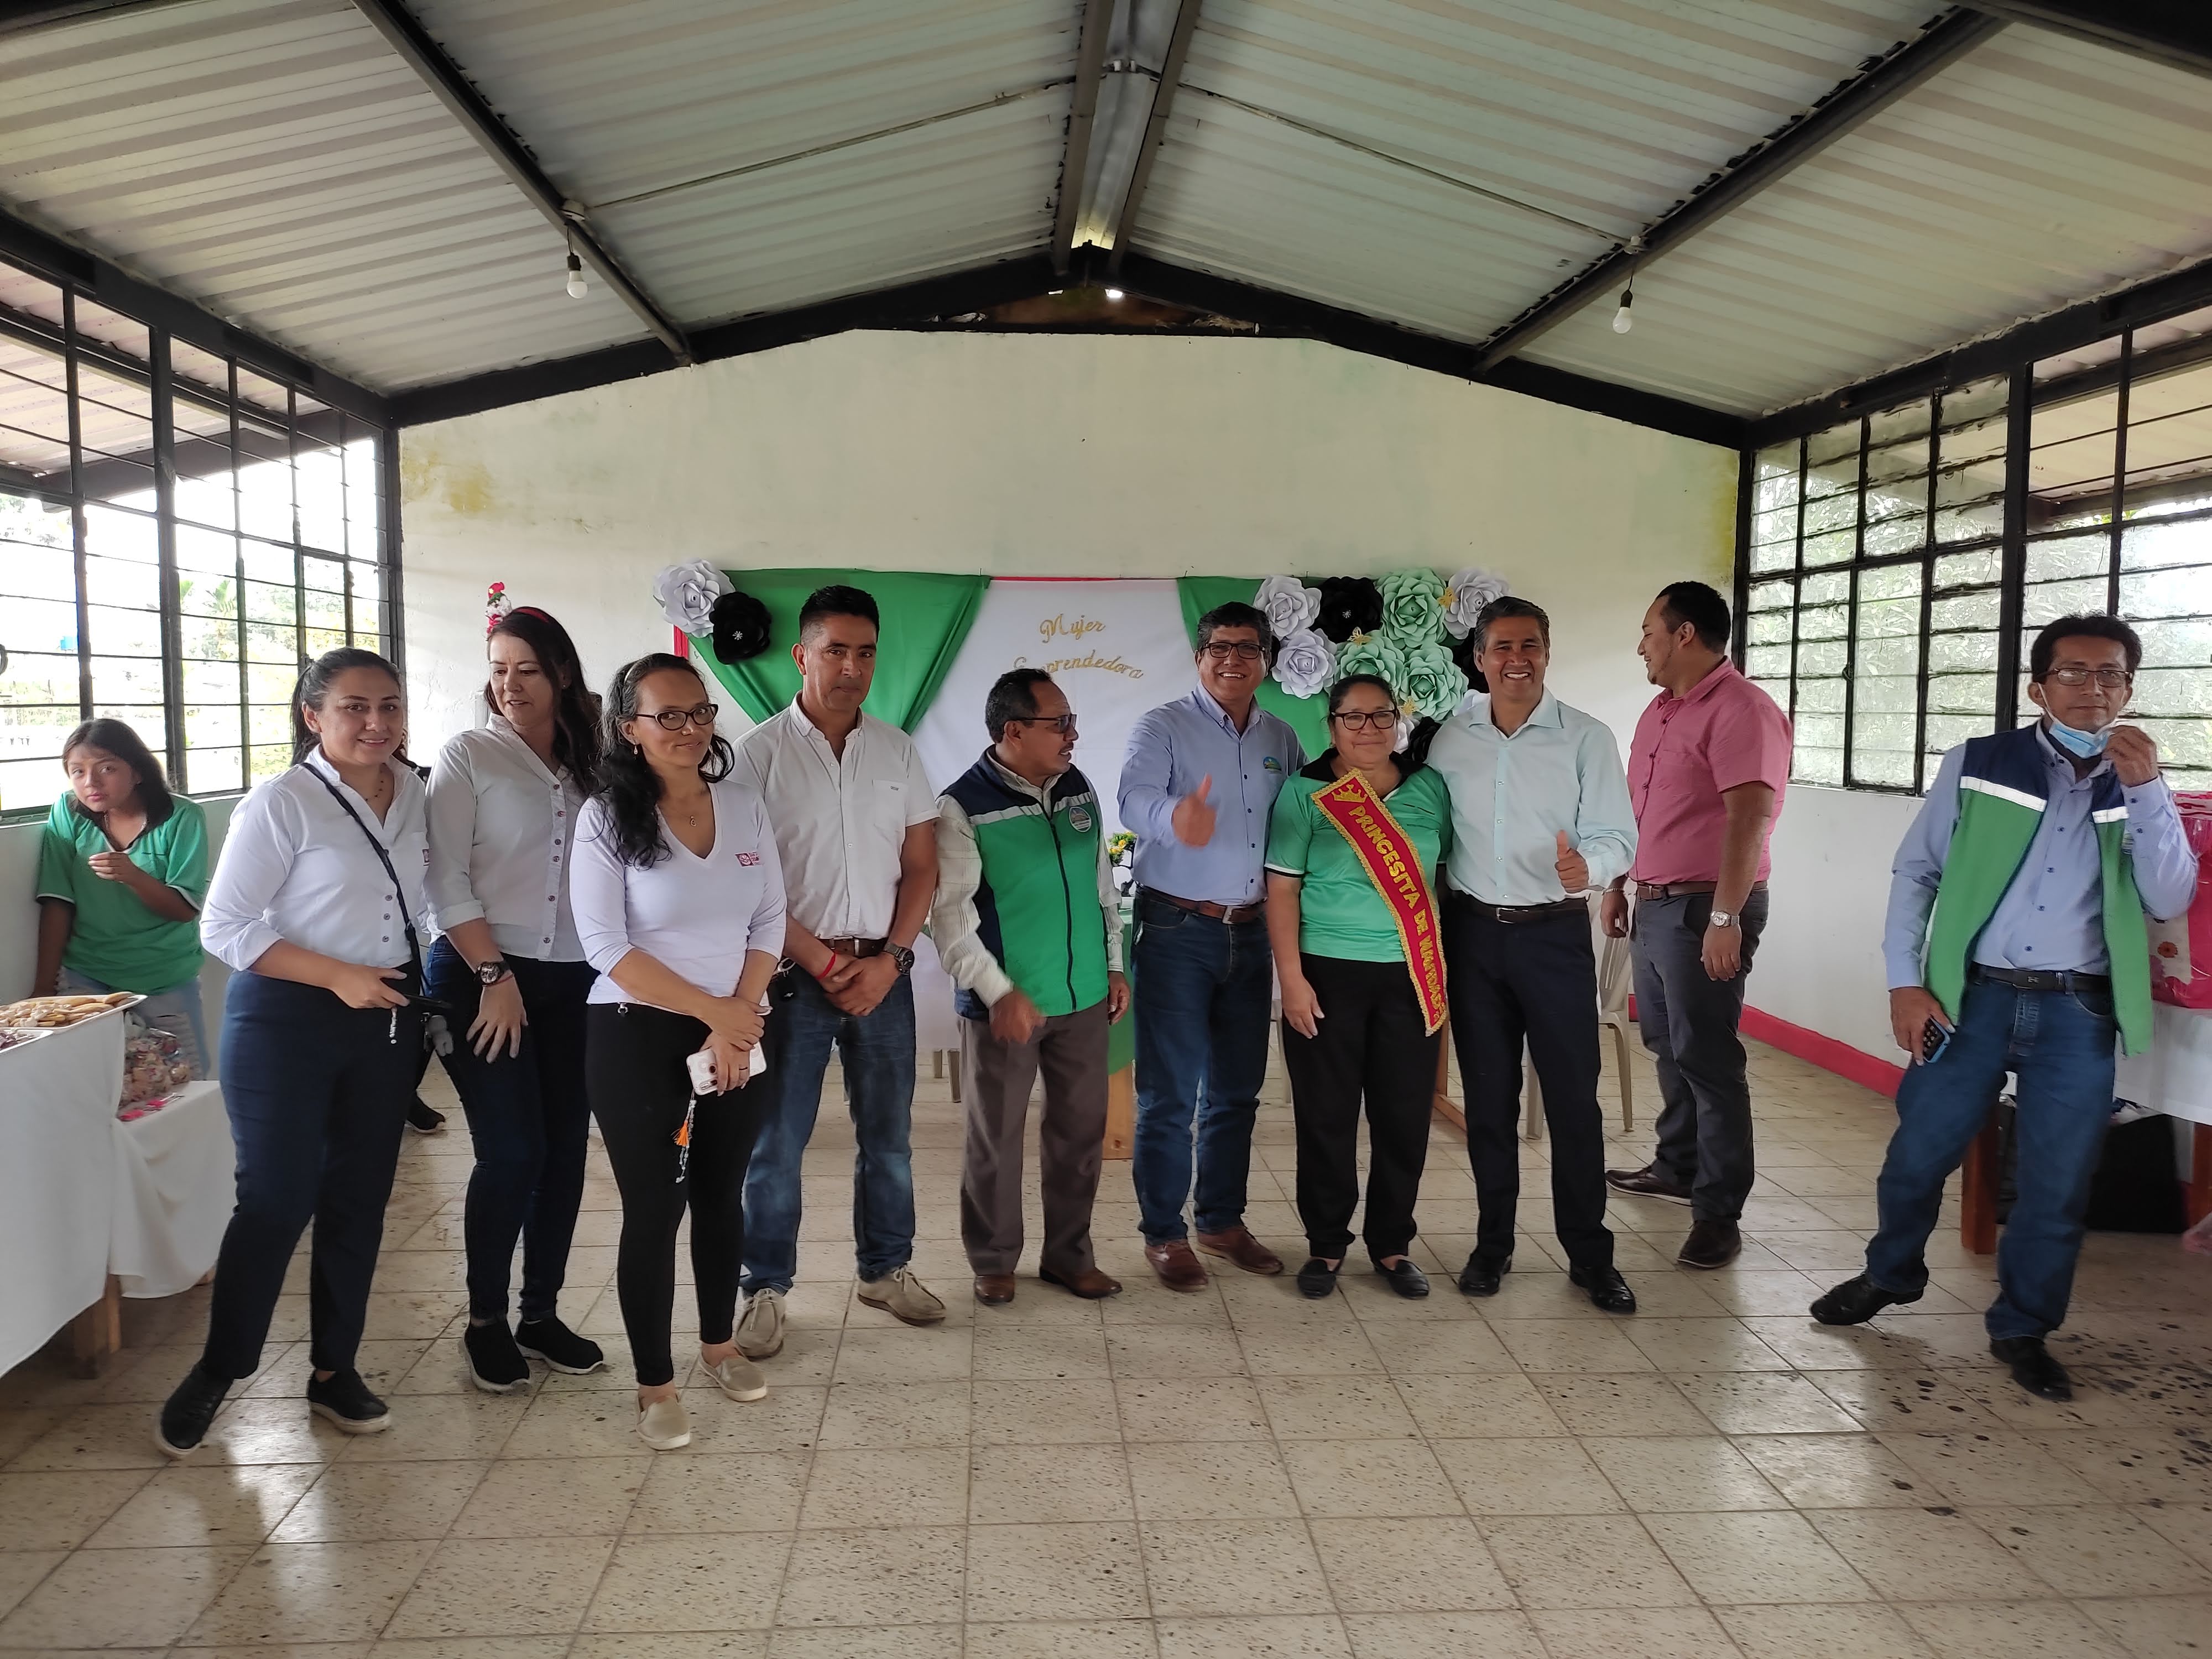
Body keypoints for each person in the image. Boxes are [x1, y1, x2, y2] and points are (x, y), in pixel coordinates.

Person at [1812, 615, 2198, 1401]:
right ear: (2037, 688)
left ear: (2129, 689)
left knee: (2056, 1185)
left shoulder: (2141, 784)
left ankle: (2024, 1327)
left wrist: (2148, 793)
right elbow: (1918, 873)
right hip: (1971, 999)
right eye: (2073, 673)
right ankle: (1892, 1274)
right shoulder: (1982, 763)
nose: (2093, 690)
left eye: (2112, 675)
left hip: (2077, 1013)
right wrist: (1905, 982)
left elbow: (2169, 897)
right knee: (1917, 1155)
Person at [156, 649, 430, 1456]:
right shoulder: (281, 802)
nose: (376, 722)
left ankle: (334, 1369)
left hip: (383, 1018)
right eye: (354, 707)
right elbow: (224, 926)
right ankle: (222, 1367)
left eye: (389, 705)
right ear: (314, 716)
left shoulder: (415, 792)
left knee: (359, 1199)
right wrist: (337, 975)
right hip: (284, 1019)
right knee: (276, 1198)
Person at [571, 654, 786, 1450]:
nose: (689, 728)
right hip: (637, 1029)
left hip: (739, 1026)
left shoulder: (745, 806)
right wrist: (715, 1014)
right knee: (655, 1208)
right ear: (629, 728)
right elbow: (605, 945)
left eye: (699, 712)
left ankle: (719, 1345)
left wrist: (737, 1019)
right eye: (667, 716)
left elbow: (769, 920)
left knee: (723, 1194)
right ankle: (655, 1384)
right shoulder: (605, 818)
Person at [732, 585, 942, 1361]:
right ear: (802, 656)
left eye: (865, 653)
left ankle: (885, 1270)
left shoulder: (898, 751)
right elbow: (750, 881)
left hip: (884, 975)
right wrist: (822, 960)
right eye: (835, 651)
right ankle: (764, 1287)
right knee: (775, 1144)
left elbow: (921, 867)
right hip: (791, 977)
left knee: (888, 1140)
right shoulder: (756, 755)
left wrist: (891, 960)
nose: (851, 668)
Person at [1428, 598, 1639, 1313]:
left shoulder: (1586, 737)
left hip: (1553, 936)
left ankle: (1590, 1254)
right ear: (1479, 658)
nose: (1516, 659)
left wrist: (1592, 866)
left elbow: (1618, 835)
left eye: (1530, 646)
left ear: (1547, 652)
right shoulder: (1450, 739)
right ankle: (1492, 1247)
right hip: (1474, 937)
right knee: (1489, 1103)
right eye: (1502, 647)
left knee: (1574, 1101)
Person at [425, 606, 607, 1391]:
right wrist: (494, 977)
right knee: (511, 1151)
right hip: (480, 975)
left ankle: (540, 1314)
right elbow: (443, 878)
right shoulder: (469, 755)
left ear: (562, 673)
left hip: (578, 979)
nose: (509, 685)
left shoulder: (597, 762)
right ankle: (485, 1321)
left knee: (564, 1150)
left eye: (527, 669)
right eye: (499, 670)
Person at [1601, 580, 1791, 1270]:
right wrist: (1619, 883)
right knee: (1666, 1043)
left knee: (1707, 1057)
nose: (1641, 646)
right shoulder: (1659, 712)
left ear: (1684, 634)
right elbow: (1637, 809)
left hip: (1704, 907)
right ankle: (1676, 1166)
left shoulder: (1744, 710)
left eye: (1648, 631)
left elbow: (1749, 819)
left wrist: (1725, 917)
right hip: (1654, 901)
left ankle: (1718, 1212)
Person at [1119, 602, 1304, 1290]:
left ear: (1265, 661)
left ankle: (1221, 1222)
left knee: (1235, 1093)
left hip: (1252, 934)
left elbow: (1303, 819)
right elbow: (1132, 799)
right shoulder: (1162, 726)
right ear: (1199, 658)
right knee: (1168, 1096)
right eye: (1219, 648)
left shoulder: (1282, 737)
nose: (1233, 660)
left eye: (1247, 648)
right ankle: (1164, 1234)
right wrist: (1175, 816)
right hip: (1177, 930)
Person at [934, 669, 1129, 1306]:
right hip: (1007, 1007)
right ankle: (993, 1259)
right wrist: (1000, 993)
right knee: (995, 1137)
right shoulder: (963, 806)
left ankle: (1069, 1257)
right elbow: (950, 920)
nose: (1073, 734)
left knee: (1079, 1135)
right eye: (1059, 723)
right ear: (1013, 731)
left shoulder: (1077, 788)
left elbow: (1101, 887)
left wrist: (1113, 965)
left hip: (1083, 997)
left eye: (1071, 722)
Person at [1265, 674, 1452, 1299]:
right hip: (1325, 974)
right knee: (1327, 1115)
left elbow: (1442, 878)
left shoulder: (1429, 788)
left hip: (1412, 976)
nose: (1368, 729)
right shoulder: (1305, 792)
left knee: (1404, 1116)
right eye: (1354, 717)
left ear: (1398, 721)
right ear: (1332, 726)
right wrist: (1291, 980)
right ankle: (1325, 1245)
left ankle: (1393, 1245)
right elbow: (1282, 892)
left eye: (1381, 716)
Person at [34, 718, 210, 1073]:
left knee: (186, 1081)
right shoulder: (69, 813)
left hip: (162, 978)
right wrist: (42, 989)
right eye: (77, 771)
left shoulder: (182, 817)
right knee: (97, 1082)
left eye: (107, 768)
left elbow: (183, 910)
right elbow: (57, 902)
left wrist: (133, 876)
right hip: (87, 977)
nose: (91, 782)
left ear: (138, 772)